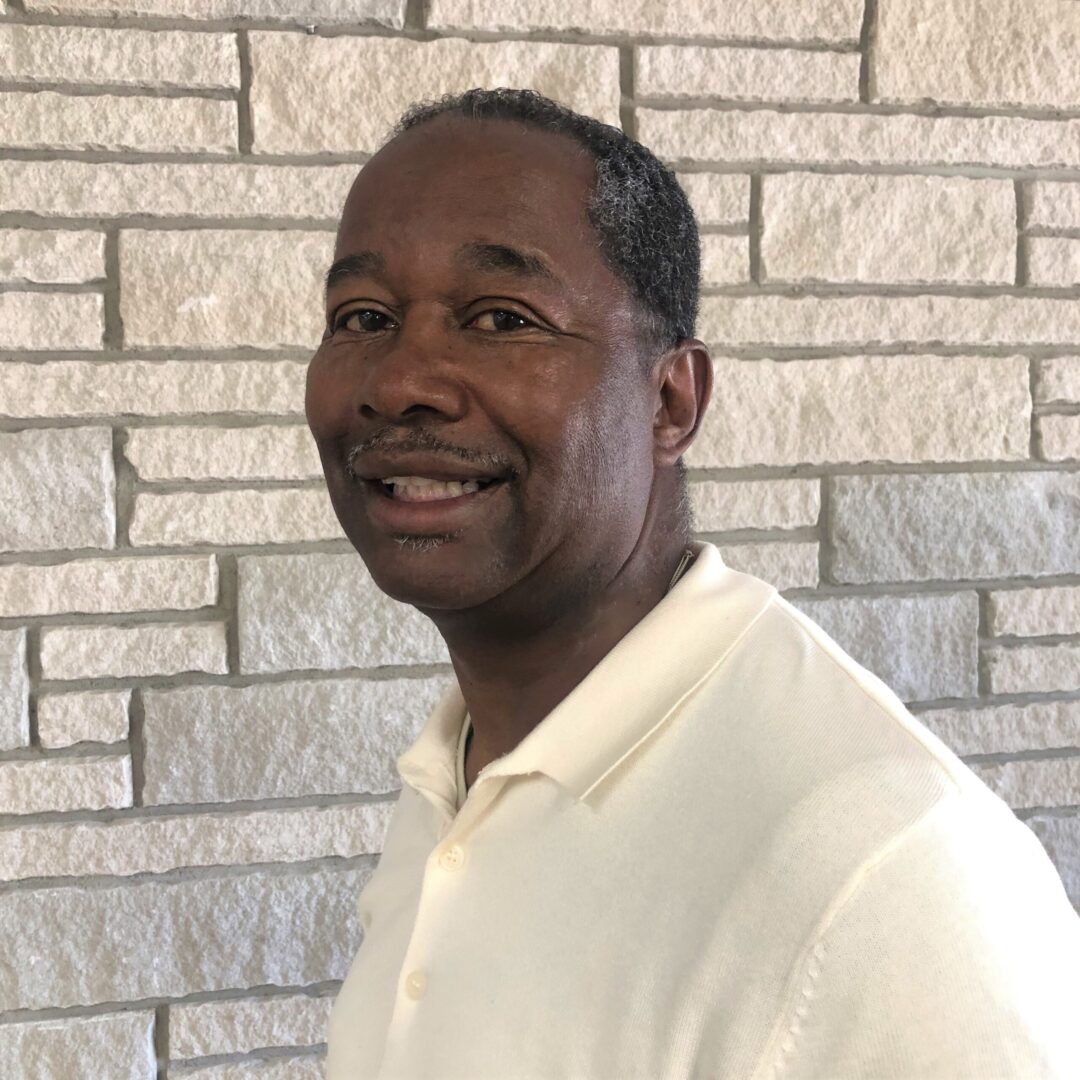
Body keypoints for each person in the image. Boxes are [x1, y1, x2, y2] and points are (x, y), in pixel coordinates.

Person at [305, 88, 1080, 1079]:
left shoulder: (884, 874)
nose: (399, 378)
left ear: (670, 399)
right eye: (361, 315)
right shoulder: (455, 781)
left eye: (499, 318)